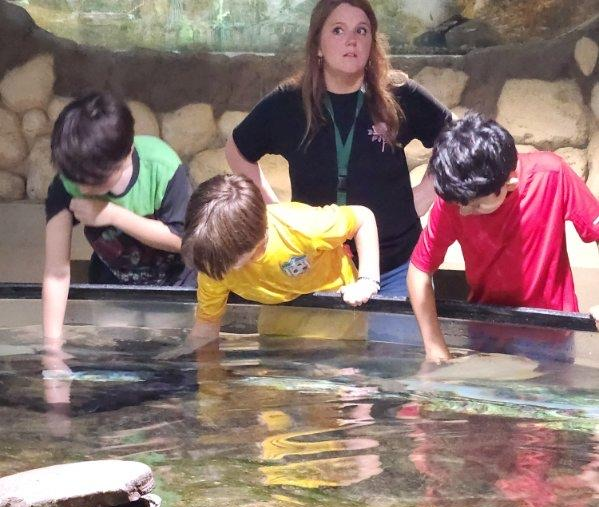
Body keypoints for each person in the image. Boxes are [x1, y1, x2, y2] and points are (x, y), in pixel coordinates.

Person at [225, 0, 451, 297]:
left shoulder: (398, 93)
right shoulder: (289, 102)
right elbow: (237, 151)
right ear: (317, 45)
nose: (352, 40)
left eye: (362, 30)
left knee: (396, 344)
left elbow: (455, 135)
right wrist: (273, 210)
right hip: (321, 267)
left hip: (397, 263)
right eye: (338, 30)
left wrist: (424, 193)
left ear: (372, 41)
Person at [407, 113, 599, 363]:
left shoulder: (551, 174)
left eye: (475, 206)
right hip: (486, 329)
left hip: (552, 331)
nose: (464, 212)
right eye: (459, 205)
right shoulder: (456, 198)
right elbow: (420, 269)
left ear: (510, 183)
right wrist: (434, 346)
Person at [42, 91, 195, 360]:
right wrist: (52, 350)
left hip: (173, 284)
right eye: (75, 178)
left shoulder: (162, 167)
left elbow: (184, 241)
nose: (82, 187)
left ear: (127, 153)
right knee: (117, 351)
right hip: (113, 283)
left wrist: (112, 214)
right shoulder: (68, 183)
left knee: (168, 351)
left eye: (94, 180)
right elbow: (56, 273)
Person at [179, 173, 380, 347]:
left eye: (224, 263)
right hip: (278, 320)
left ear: (254, 244)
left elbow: (363, 218)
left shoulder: (300, 227)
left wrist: (368, 279)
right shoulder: (213, 263)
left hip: (334, 313)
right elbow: (206, 326)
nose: (213, 271)